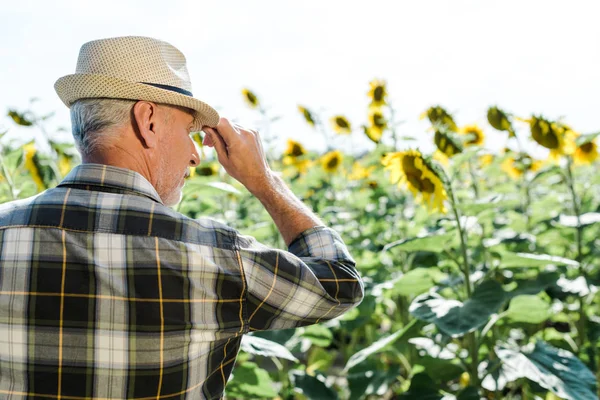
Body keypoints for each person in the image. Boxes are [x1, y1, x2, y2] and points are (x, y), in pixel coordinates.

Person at [0, 36, 364, 399]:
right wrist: (265, 182)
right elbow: (340, 283)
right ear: (149, 121)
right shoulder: (217, 259)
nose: (196, 155)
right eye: (190, 131)